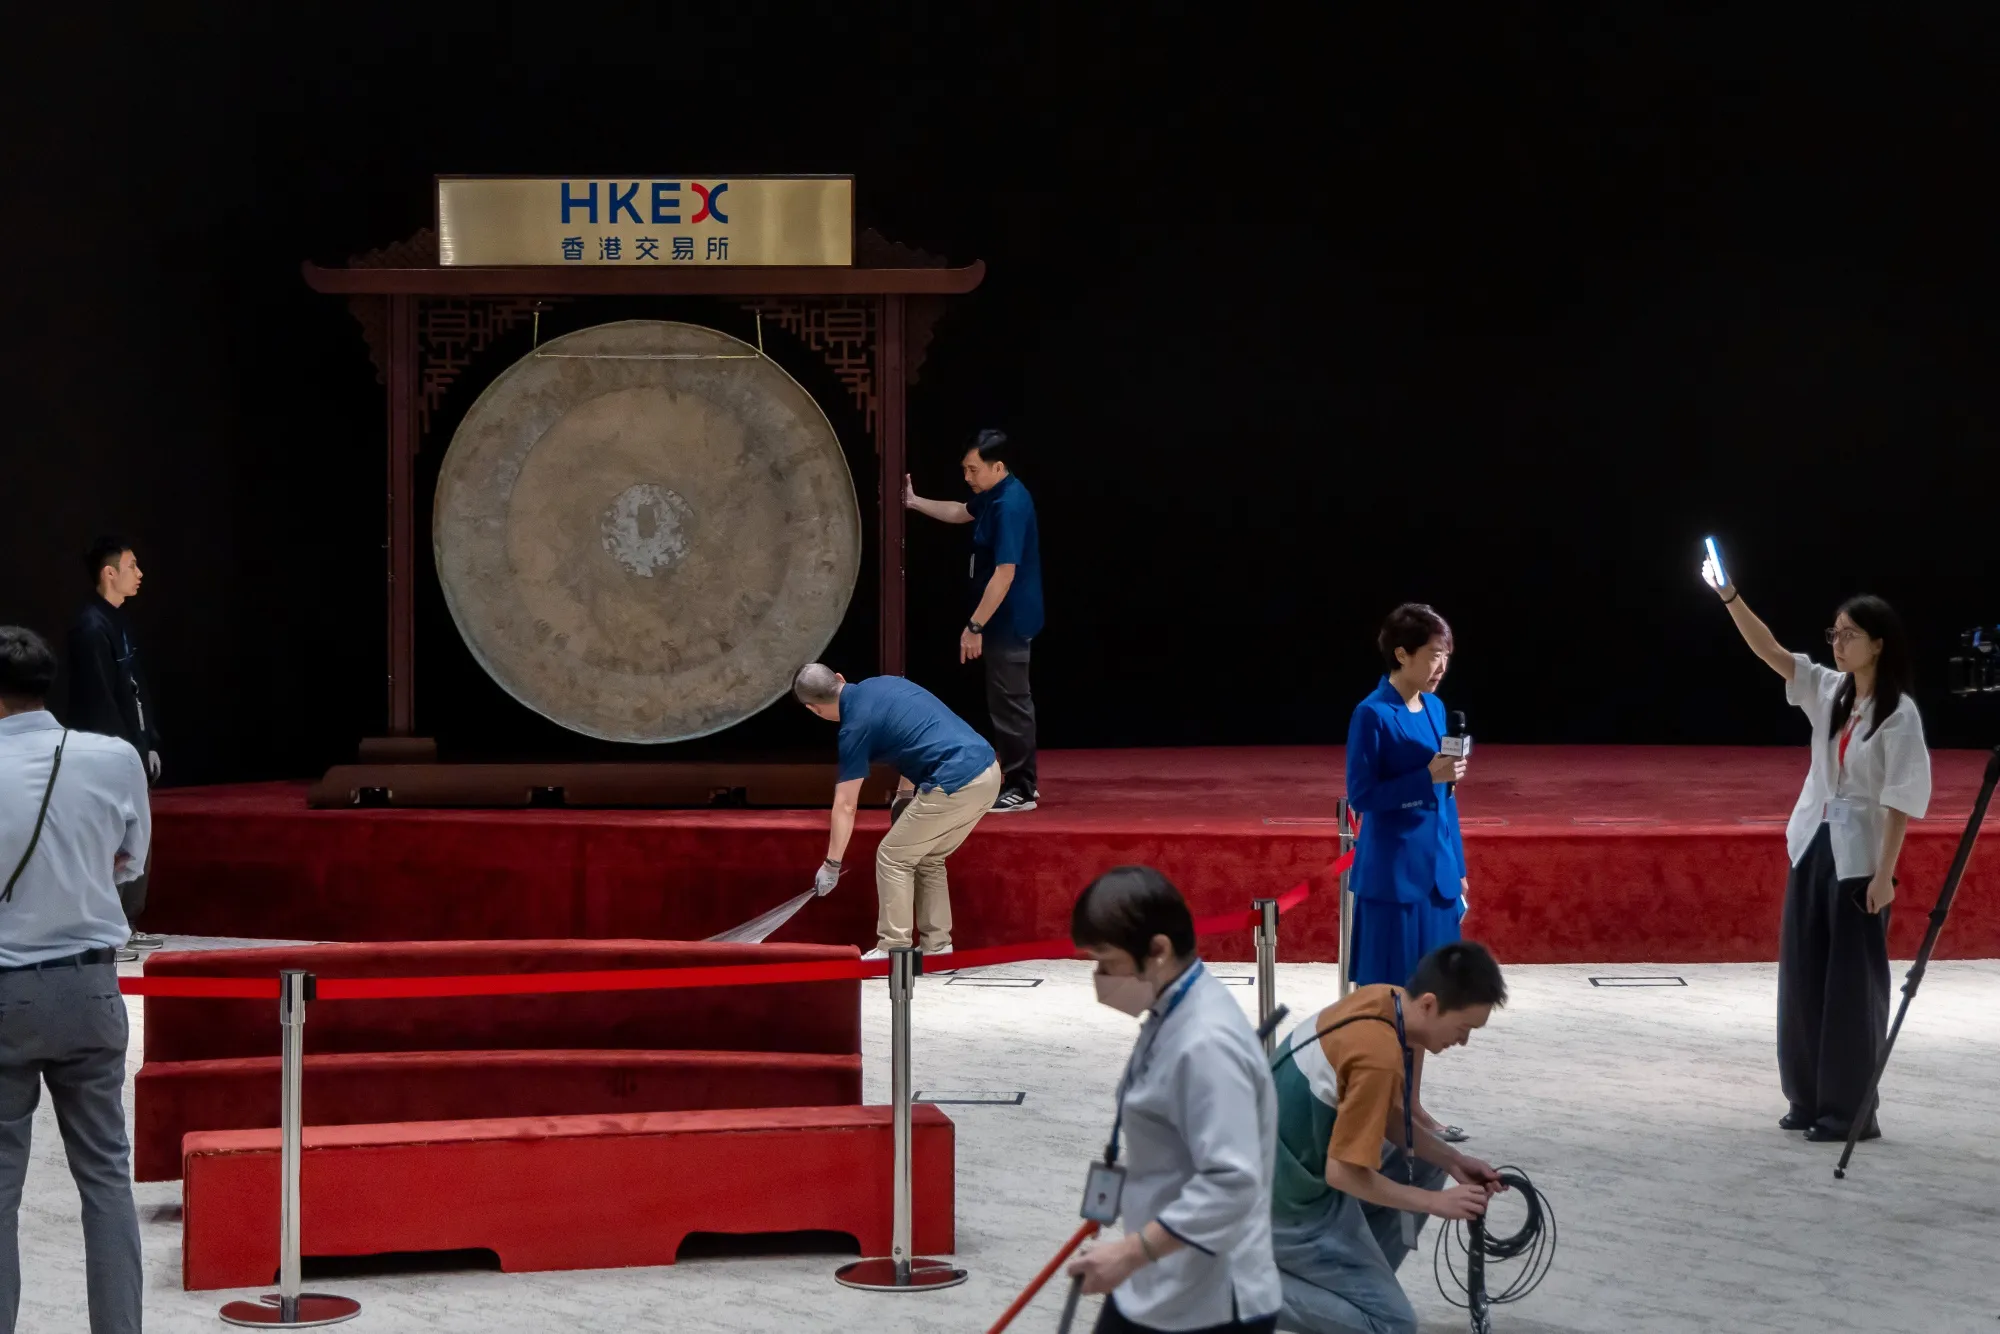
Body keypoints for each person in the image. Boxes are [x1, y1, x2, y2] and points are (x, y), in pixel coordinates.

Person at [1702, 556, 1930, 1142]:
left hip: (1860, 858)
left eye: (1850, 635)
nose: (1838, 643)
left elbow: (1901, 801)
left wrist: (1886, 876)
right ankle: (1805, 1097)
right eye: (1835, 633)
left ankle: (1846, 1108)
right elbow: (1772, 652)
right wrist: (1731, 596)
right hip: (1813, 843)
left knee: (1851, 986)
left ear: (1878, 645)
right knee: (1803, 975)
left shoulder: (1899, 714)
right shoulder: (1831, 692)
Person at [0, 626, 147, 1334]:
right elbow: (131, 863)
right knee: (106, 1181)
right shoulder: (113, 759)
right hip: (91, 991)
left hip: (3, 993)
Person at [1066, 866, 1281, 1333]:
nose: (1100, 977)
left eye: (1107, 962)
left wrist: (1129, 1253)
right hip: (1159, 1275)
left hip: (1209, 1299)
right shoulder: (1172, 1010)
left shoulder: (1206, 1042)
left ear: (1158, 950)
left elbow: (1232, 1182)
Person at [1268, 942, 1508, 1334]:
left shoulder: (1384, 1000)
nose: (1462, 1042)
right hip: (1285, 1207)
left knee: (1429, 1165)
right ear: (1429, 1005)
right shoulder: (1378, 1055)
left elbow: (1378, 1115)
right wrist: (1435, 1203)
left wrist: (1452, 1160)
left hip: (1280, 1164)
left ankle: (1347, 1290)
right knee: (1391, 1325)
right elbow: (1344, 1173)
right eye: (1463, 1029)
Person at [1345, 602, 1469, 1141]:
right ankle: (1385, 1104)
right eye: (1433, 655)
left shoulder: (1438, 711)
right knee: (1391, 1000)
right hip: (1392, 878)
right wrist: (1427, 775)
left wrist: (1459, 868)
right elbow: (1363, 795)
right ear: (1402, 653)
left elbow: (1448, 802)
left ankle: (1413, 1107)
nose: (1441, 666)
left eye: (1446, 656)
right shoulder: (1371, 714)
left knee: (1427, 1000)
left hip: (1436, 875)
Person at [793, 664, 1002, 959]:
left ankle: (894, 948)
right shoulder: (885, 683)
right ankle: (937, 947)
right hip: (989, 771)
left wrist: (832, 864)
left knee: (892, 857)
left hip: (955, 782)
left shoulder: (854, 728)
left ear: (813, 709)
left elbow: (846, 804)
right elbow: (917, 732)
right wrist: (905, 794)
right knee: (929, 857)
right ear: (840, 677)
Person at [904, 428, 1044, 812]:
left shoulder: (1010, 504)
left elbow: (1005, 574)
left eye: (973, 470)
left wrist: (974, 626)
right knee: (1003, 701)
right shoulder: (991, 495)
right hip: (997, 617)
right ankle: (1019, 779)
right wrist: (914, 503)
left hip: (1008, 618)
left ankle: (1022, 787)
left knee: (1012, 702)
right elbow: (959, 511)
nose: (967, 477)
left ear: (997, 467)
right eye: (964, 469)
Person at [65, 537, 162, 956]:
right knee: (109, 840)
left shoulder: (118, 621)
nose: (139, 575)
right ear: (110, 573)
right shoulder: (90, 626)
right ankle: (104, 929)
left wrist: (149, 741)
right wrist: (121, 752)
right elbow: (99, 699)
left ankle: (125, 922)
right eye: (132, 566)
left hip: (131, 750)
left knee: (136, 837)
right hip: (108, 754)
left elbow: (135, 688)